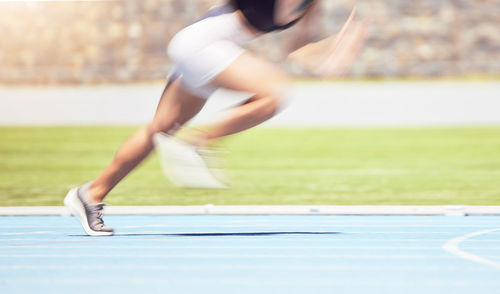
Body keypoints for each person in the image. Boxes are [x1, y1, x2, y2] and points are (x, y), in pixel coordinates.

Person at [64, 0, 368, 236]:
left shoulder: (311, 3)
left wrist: (337, 50)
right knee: (274, 93)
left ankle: (90, 194)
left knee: (161, 129)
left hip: (215, 49)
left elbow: (299, 49)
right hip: (203, 43)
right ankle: (198, 142)